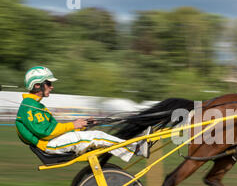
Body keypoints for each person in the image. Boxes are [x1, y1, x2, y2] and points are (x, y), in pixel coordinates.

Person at [16, 66, 150, 162]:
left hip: (53, 141)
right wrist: (73, 125)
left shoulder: (35, 105)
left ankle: (134, 147)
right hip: (49, 145)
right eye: (49, 83)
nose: (52, 87)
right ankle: (136, 149)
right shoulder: (29, 108)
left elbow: (54, 130)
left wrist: (82, 125)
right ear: (37, 85)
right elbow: (46, 133)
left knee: (97, 136)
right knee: (97, 137)